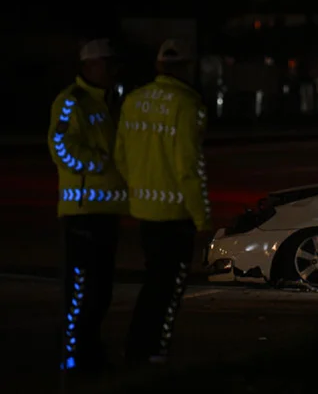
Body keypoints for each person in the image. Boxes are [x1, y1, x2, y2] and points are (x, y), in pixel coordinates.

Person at [115, 39, 211, 365]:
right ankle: (155, 350)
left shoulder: (133, 100)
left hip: (145, 210)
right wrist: (202, 217)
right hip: (176, 213)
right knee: (169, 288)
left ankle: (137, 345)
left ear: (158, 67)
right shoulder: (188, 104)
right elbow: (189, 167)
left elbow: (121, 156)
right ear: (185, 67)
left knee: (153, 281)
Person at [48, 38, 129, 373]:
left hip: (107, 212)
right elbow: (59, 144)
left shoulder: (110, 102)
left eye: (113, 64)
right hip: (82, 212)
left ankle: (89, 353)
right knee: (82, 293)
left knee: (100, 292)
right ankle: (74, 358)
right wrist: (96, 163)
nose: (110, 70)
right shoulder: (72, 101)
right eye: (104, 64)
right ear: (87, 67)